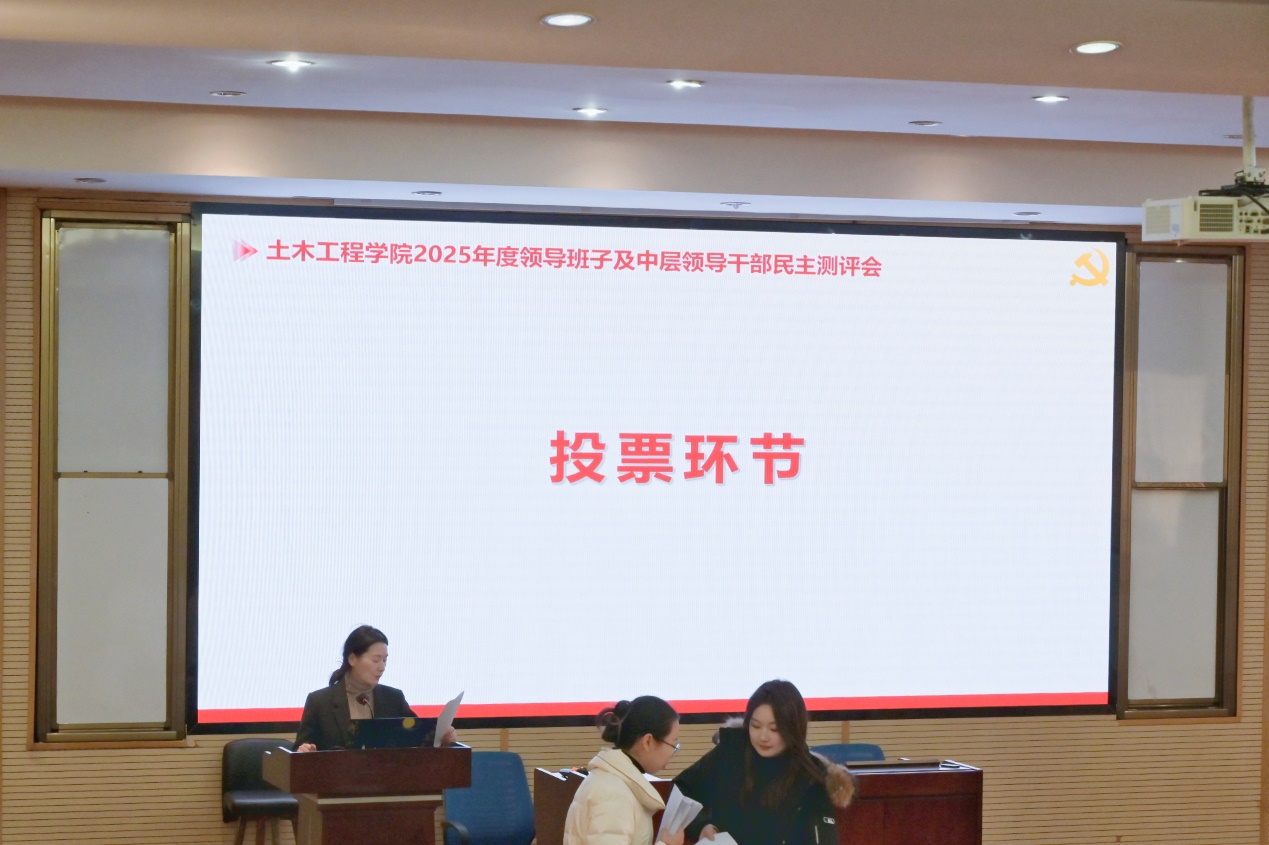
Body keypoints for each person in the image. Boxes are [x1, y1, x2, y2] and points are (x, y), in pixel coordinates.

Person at [675, 680, 856, 845]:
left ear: (794, 729)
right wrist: (702, 825)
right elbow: (683, 790)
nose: (763, 736)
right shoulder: (731, 752)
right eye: (755, 726)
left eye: (774, 729)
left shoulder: (811, 777)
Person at [295, 624, 457, 751]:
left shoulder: (393, 698)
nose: (382, 667)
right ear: (352, 659)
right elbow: (299, 750)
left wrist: (442, 739)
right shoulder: (320, 701)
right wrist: (305, 750)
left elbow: (419, 738)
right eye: (375, 660)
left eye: (385, 660)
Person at [564, 696, 686, 845]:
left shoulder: (614, 784)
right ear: (648, 742)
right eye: (673, 744)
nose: (672, 753)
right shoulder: (612, 793)